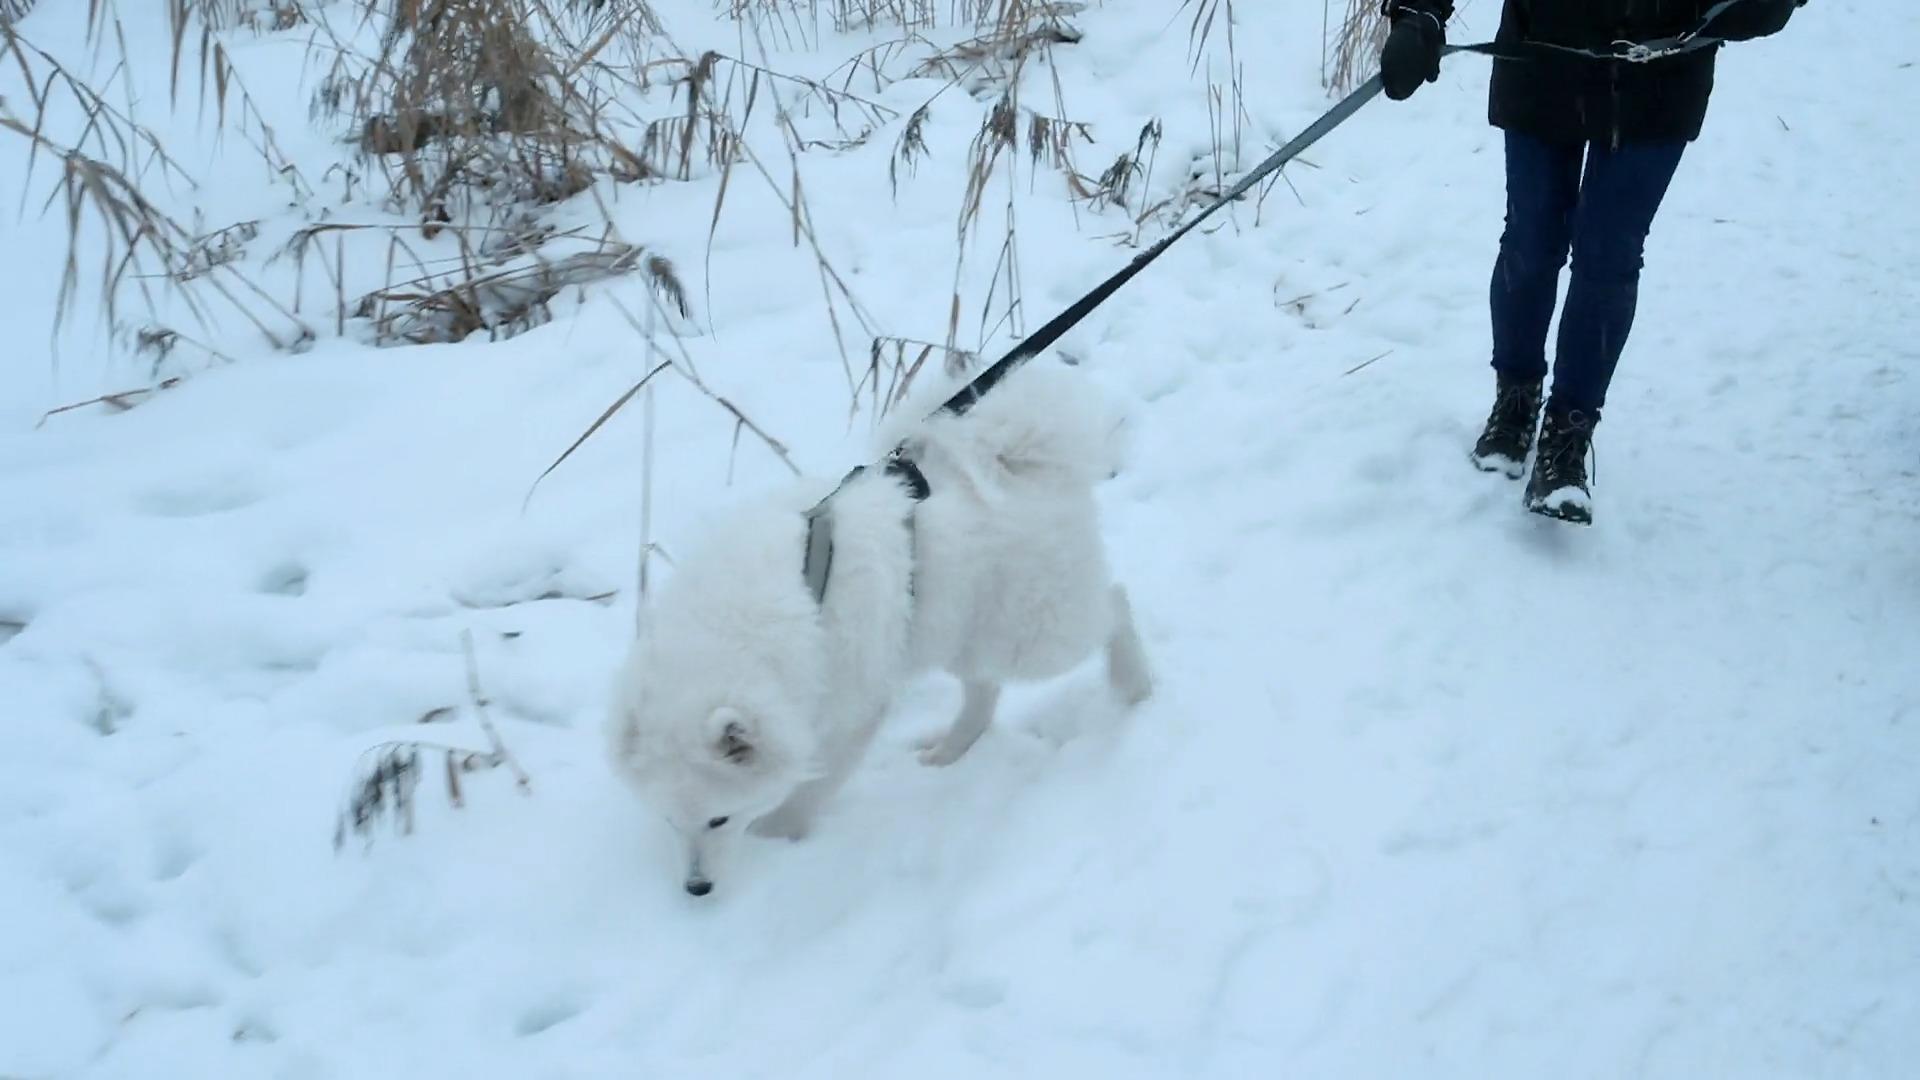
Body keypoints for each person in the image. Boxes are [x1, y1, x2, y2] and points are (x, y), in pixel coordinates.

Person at [1377, 0, 1808, 524]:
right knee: (1531, 240)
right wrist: (1419, 13)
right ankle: (1515, 401)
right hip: (1543, 51)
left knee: (1609, 254)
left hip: (1662, 69)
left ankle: (1568, 435)